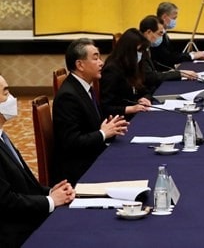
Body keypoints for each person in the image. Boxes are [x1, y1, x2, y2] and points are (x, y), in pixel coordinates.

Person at [0, 75, 75, 247]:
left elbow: (23, 184)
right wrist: (50, 201)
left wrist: (49, 193)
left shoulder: (3, 136)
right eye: (6, 93)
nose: (12, 99)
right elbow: (6, 201)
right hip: (13, 233)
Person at [52, 38, 129, 186]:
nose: (101, 62)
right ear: (80, 65)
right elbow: (71, 142)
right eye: (95, 58)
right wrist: (103, 133)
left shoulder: (85, 87)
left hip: (92, 155)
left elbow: (90, 125)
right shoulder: (68, 96)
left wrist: (111, 127)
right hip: (79, 170)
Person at [139, 15, 199, 95]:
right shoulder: (137, 49)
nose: (161, 37)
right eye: (160, 33)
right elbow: (150, 77)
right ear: (149, 32)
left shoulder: (147, 48)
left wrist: (173, 72)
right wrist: (179, 73)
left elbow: (153, 72)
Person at [100, 28, 152, 118]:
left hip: (137, 113)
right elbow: (106, 107)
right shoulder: (112, 70)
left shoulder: (132, 64)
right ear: (128, 51)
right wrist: (131, 109)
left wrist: (146, 98)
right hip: (122, 119)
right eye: (139, 51)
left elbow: (144, 89)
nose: (141, 54)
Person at [150, 2, 204, 68]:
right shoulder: (156, 36)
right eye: (174, 18)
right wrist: (193, 56)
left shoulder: (164, 33)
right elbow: (167, 57)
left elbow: (172, 53)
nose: (175, 21)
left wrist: (192, 54)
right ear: (164, 17)